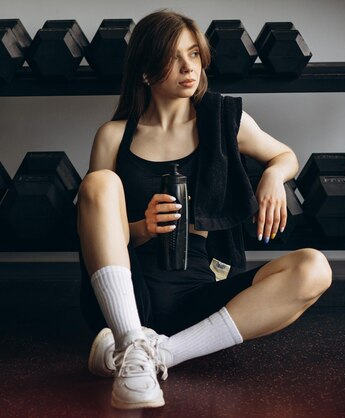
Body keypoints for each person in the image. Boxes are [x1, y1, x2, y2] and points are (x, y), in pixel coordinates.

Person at [76, 10, 332, 410]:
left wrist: (272, 177)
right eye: (173, 57)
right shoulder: (113, 136)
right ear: (146, 71)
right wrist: (143, 226)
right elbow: (93, 230)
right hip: (129, 295)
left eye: (193, 54)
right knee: (99, 183)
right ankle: (129, 336)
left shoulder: (225, 120)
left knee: (314, 267)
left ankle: (152, 355)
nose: (187, 67)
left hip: (199, 296)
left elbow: (285, 155)